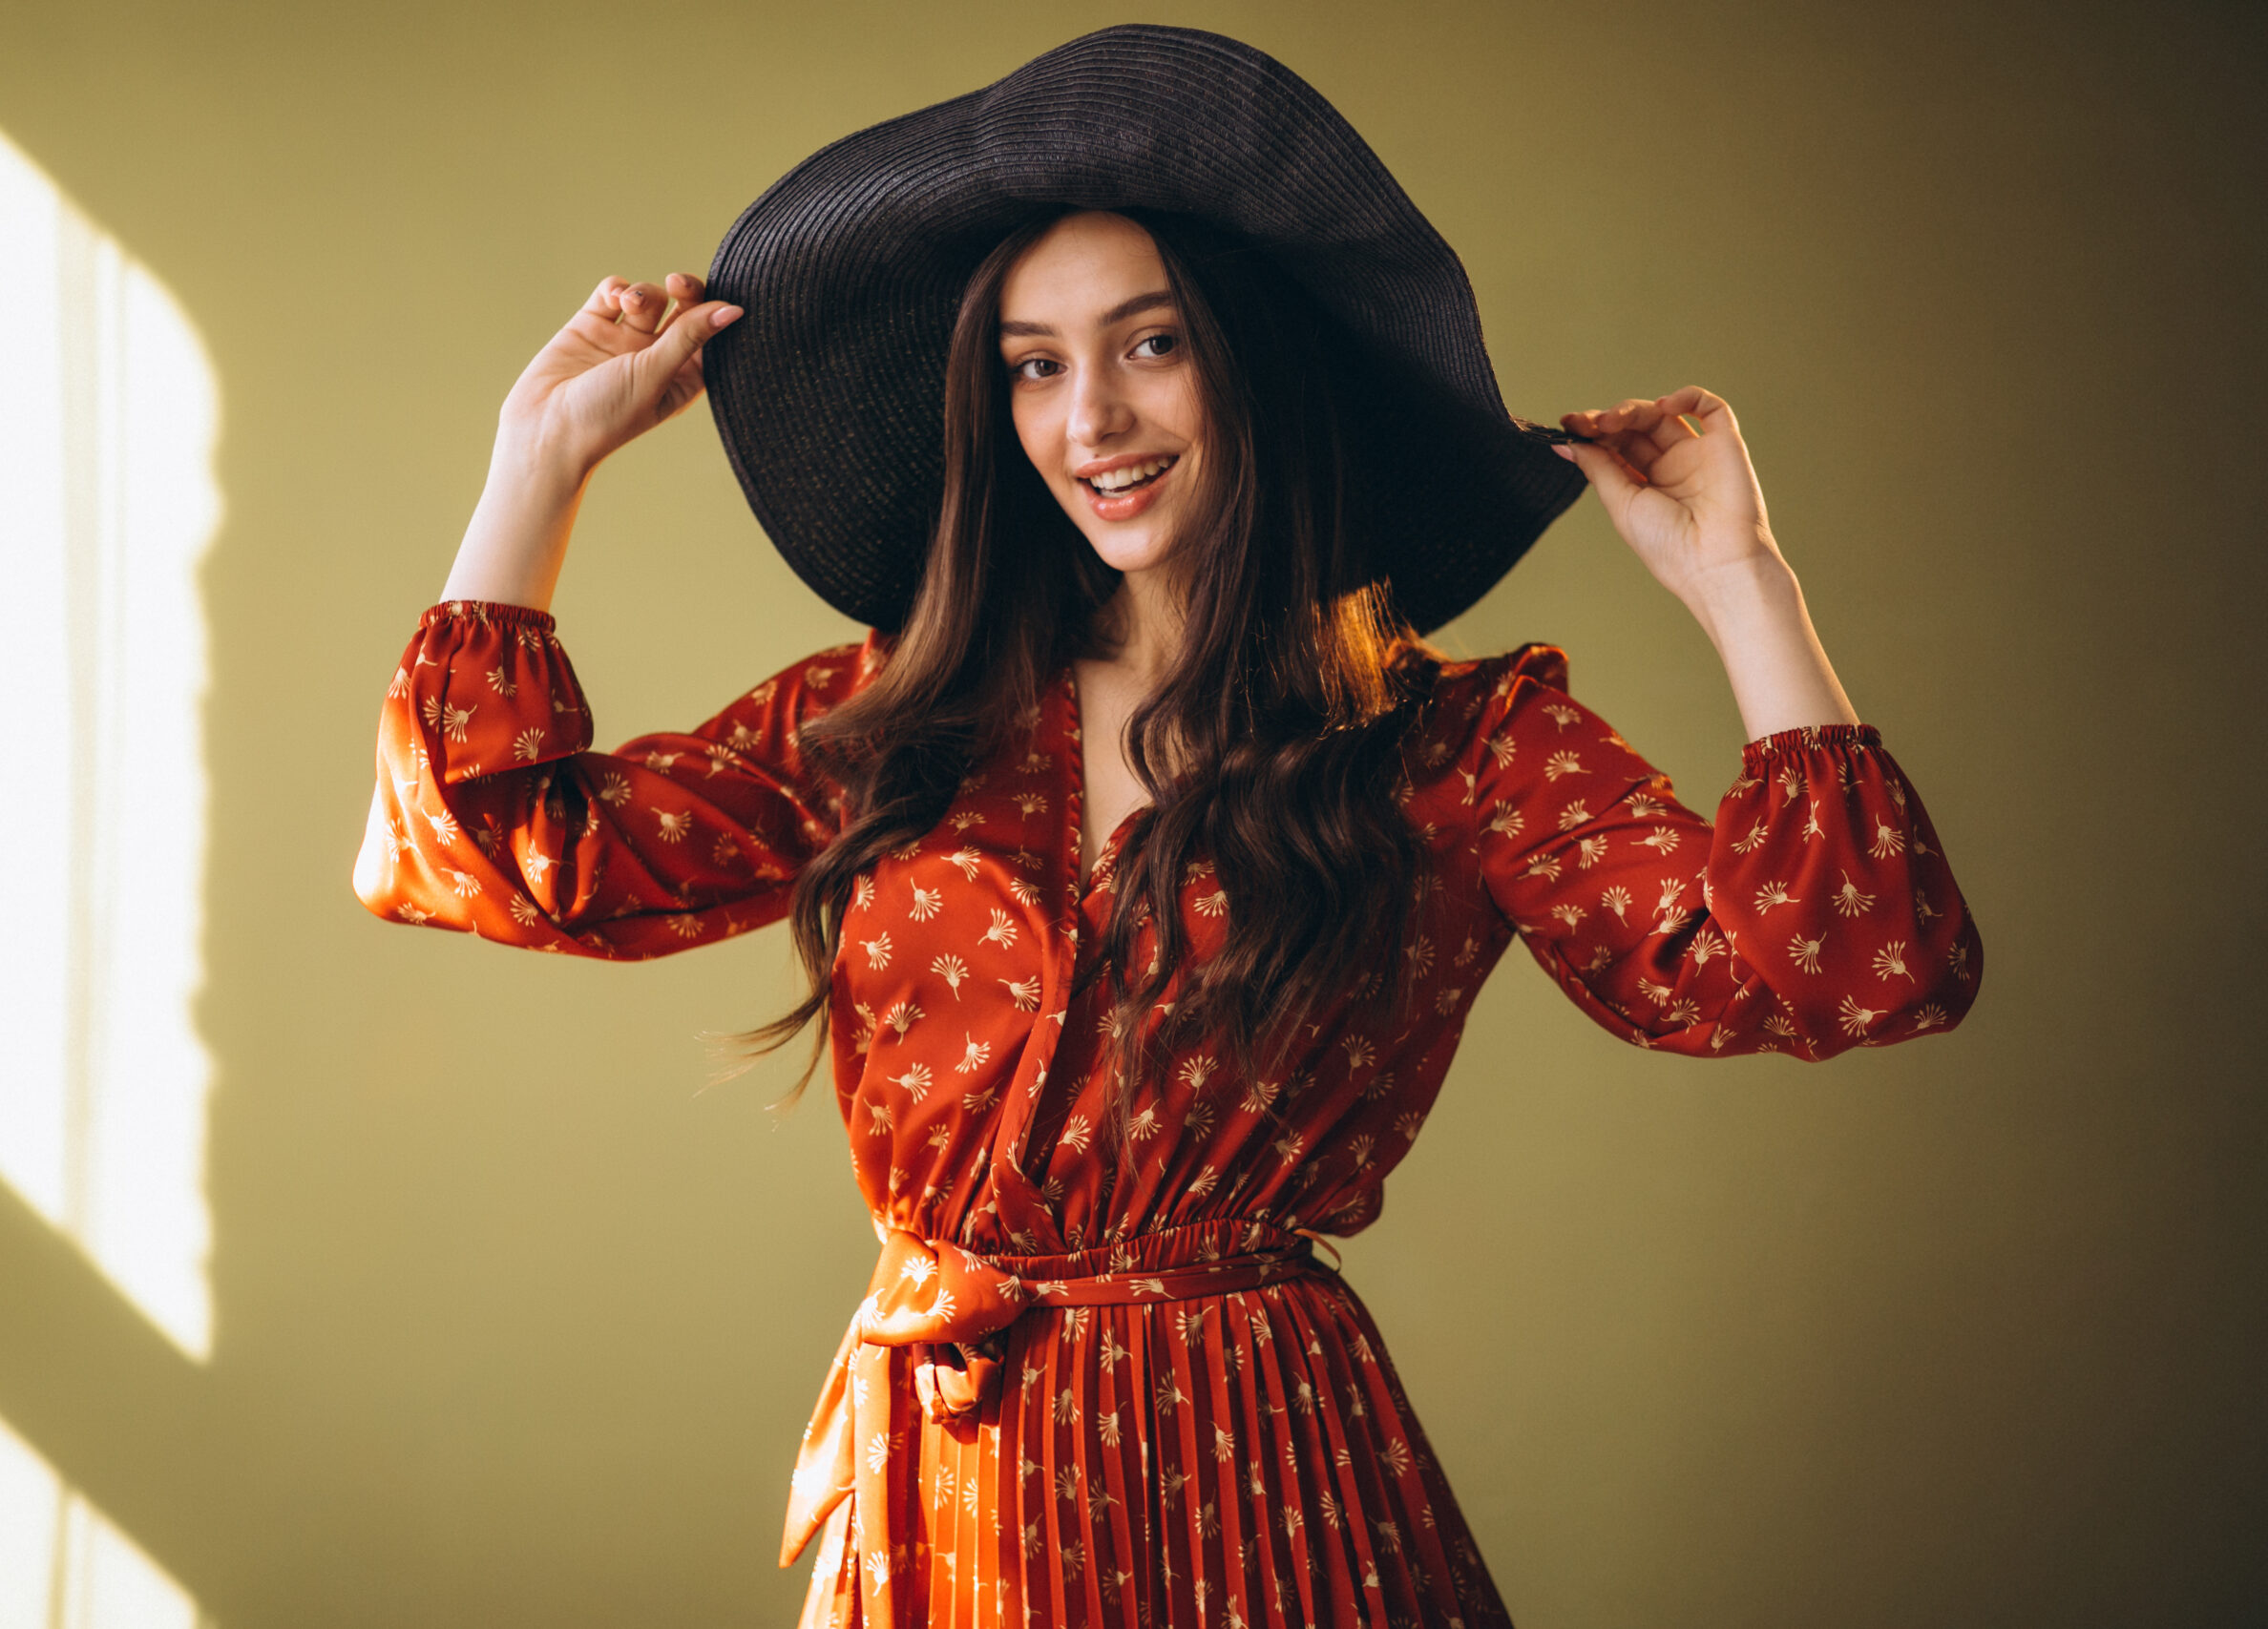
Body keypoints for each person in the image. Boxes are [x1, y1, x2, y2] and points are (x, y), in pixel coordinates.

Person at [354, 26, 1979, 1629]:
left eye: (1150, 345)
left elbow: (1857, 963)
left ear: (1253, 358)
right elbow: (489, 854)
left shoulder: (1453, 743)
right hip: (949, 1491)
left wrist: (1739, 585)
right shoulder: (887, 723)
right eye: (1036, 366)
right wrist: (538, 463)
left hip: (1270, 1493)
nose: (1092, 423)